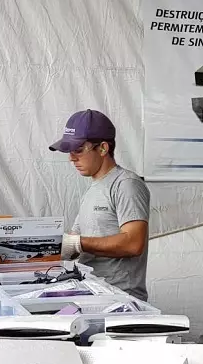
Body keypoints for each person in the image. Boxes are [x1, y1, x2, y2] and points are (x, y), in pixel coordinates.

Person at [49, 109, 151, 300]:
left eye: (78, 150)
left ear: (103, 148)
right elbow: (74, 242)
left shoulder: (126, 184)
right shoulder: (92, 191)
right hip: (94, 293)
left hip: (121, 299)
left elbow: (133, 243)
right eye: (70, 151)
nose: (71, 158)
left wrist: (77, 243)